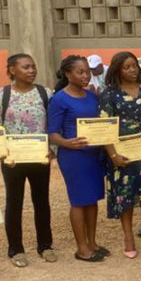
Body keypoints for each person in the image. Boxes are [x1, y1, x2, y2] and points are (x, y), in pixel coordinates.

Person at [99, 52, 141, 258]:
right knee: (124, 195)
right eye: (127, 67)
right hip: (122, 154)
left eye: (134, 65)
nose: (132, 70)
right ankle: (128, 236)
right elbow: (105, 126)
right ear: (118, 70)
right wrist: (113, 155)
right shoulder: (109, 93)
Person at [48, 55, 108, 262]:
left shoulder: (92, 97)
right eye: (80, 72)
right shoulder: (59, 99)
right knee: (79, 201)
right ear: (67, 74)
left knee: (92, 201)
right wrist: (67, 143)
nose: (85, 75)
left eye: (87, 72)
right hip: (74, 157)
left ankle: (92, 242)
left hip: (93, 156)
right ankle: (81, 248)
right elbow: (52, 133)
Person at [1, 54, 55, 267]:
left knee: (42, 201)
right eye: (26, 67)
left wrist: (52, 149)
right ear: (12, 70)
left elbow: (53, 123)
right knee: (14, 202)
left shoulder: (45, 93)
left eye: (33, 66)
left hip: (39, 158)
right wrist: (3, 152)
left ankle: (45, 246)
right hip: (12, 159)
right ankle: (16, 249)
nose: (32, 70)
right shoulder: (3, 95)